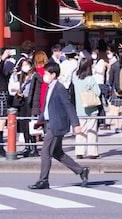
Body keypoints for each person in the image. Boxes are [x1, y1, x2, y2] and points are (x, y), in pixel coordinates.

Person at [28, 61, 89, 190]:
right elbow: (47, 108)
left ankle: (43, 180)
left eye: (46, 73)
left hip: (56, 125)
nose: (44, 75)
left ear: (53, 75)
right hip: (50, 123)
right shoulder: (51, 87)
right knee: (57, 152)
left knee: (45, 152)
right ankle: (81, 171)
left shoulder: (60, 88)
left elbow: (68, 106)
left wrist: (76, 124)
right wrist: (40, 121)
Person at [72, 57, 101, 159]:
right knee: (91, 131)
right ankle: (92, 152)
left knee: (80, 131)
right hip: (91, 109)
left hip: (79, 109)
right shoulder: (90, 79)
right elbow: (98, 92)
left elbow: (74, 73)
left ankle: (79, 151)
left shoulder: (75, 78)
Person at [15, 56, 43, 158]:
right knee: (24, 125)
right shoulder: (22, 76)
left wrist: (35, 74)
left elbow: (41, 81)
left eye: (26, 65)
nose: (24, 67)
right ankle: (27, 146)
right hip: (23, 101)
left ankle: (33, 148)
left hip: (31, 103)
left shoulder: (35, 76)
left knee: (31, 125)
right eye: (23, 65)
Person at [0, 48, 15, 157]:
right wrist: (3, 58)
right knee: (0, 121)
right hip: (1, 95)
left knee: (1, 121)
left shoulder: (3, 69)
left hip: (2, 94)